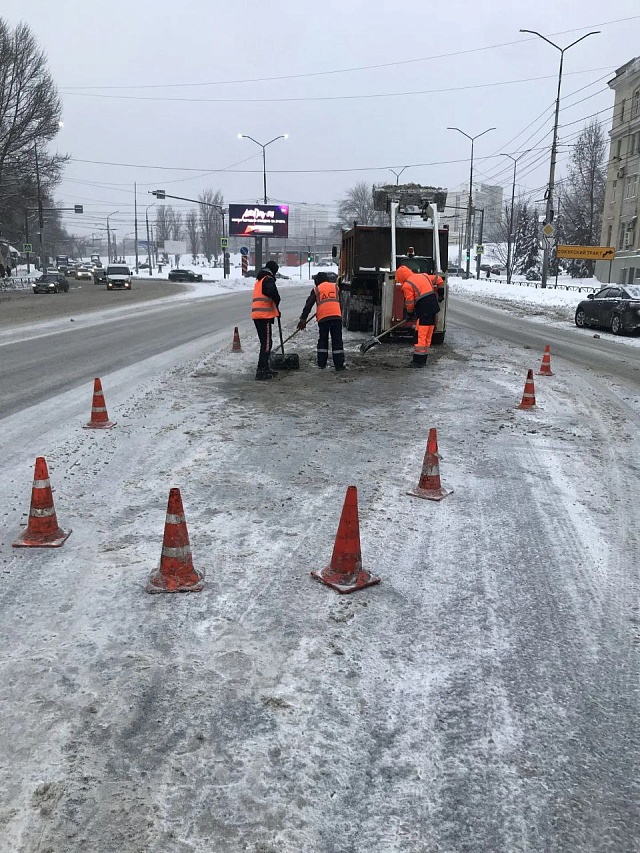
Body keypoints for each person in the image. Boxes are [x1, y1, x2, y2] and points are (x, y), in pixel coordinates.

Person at [395, 264, 444, 368]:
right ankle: (423, 359)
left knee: (420, 335)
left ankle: (418, 361)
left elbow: (410, 302)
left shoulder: (407, 285)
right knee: (428, 333)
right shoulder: (424, 275)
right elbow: (439, 279)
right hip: (433, 308)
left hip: (424, 309)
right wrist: (441, 293)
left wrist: (409, 313)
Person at [297, 272, 345, 371]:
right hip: (336, 317)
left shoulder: (316, 289)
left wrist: (303, 319)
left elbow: (308, 305)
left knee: (323, 340)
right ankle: (339, 365)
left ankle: (322, 363)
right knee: (337, 341)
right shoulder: (335, 287)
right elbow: (340, 301)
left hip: (323, 318)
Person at [252, 259, 281, 380]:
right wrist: (277, 299)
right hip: (264, 316)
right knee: (267, 344)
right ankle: (261, 370)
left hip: (258, 316)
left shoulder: (260, 279)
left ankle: (265, 367)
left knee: (265, 343)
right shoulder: (268, 279)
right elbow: (271, 292)